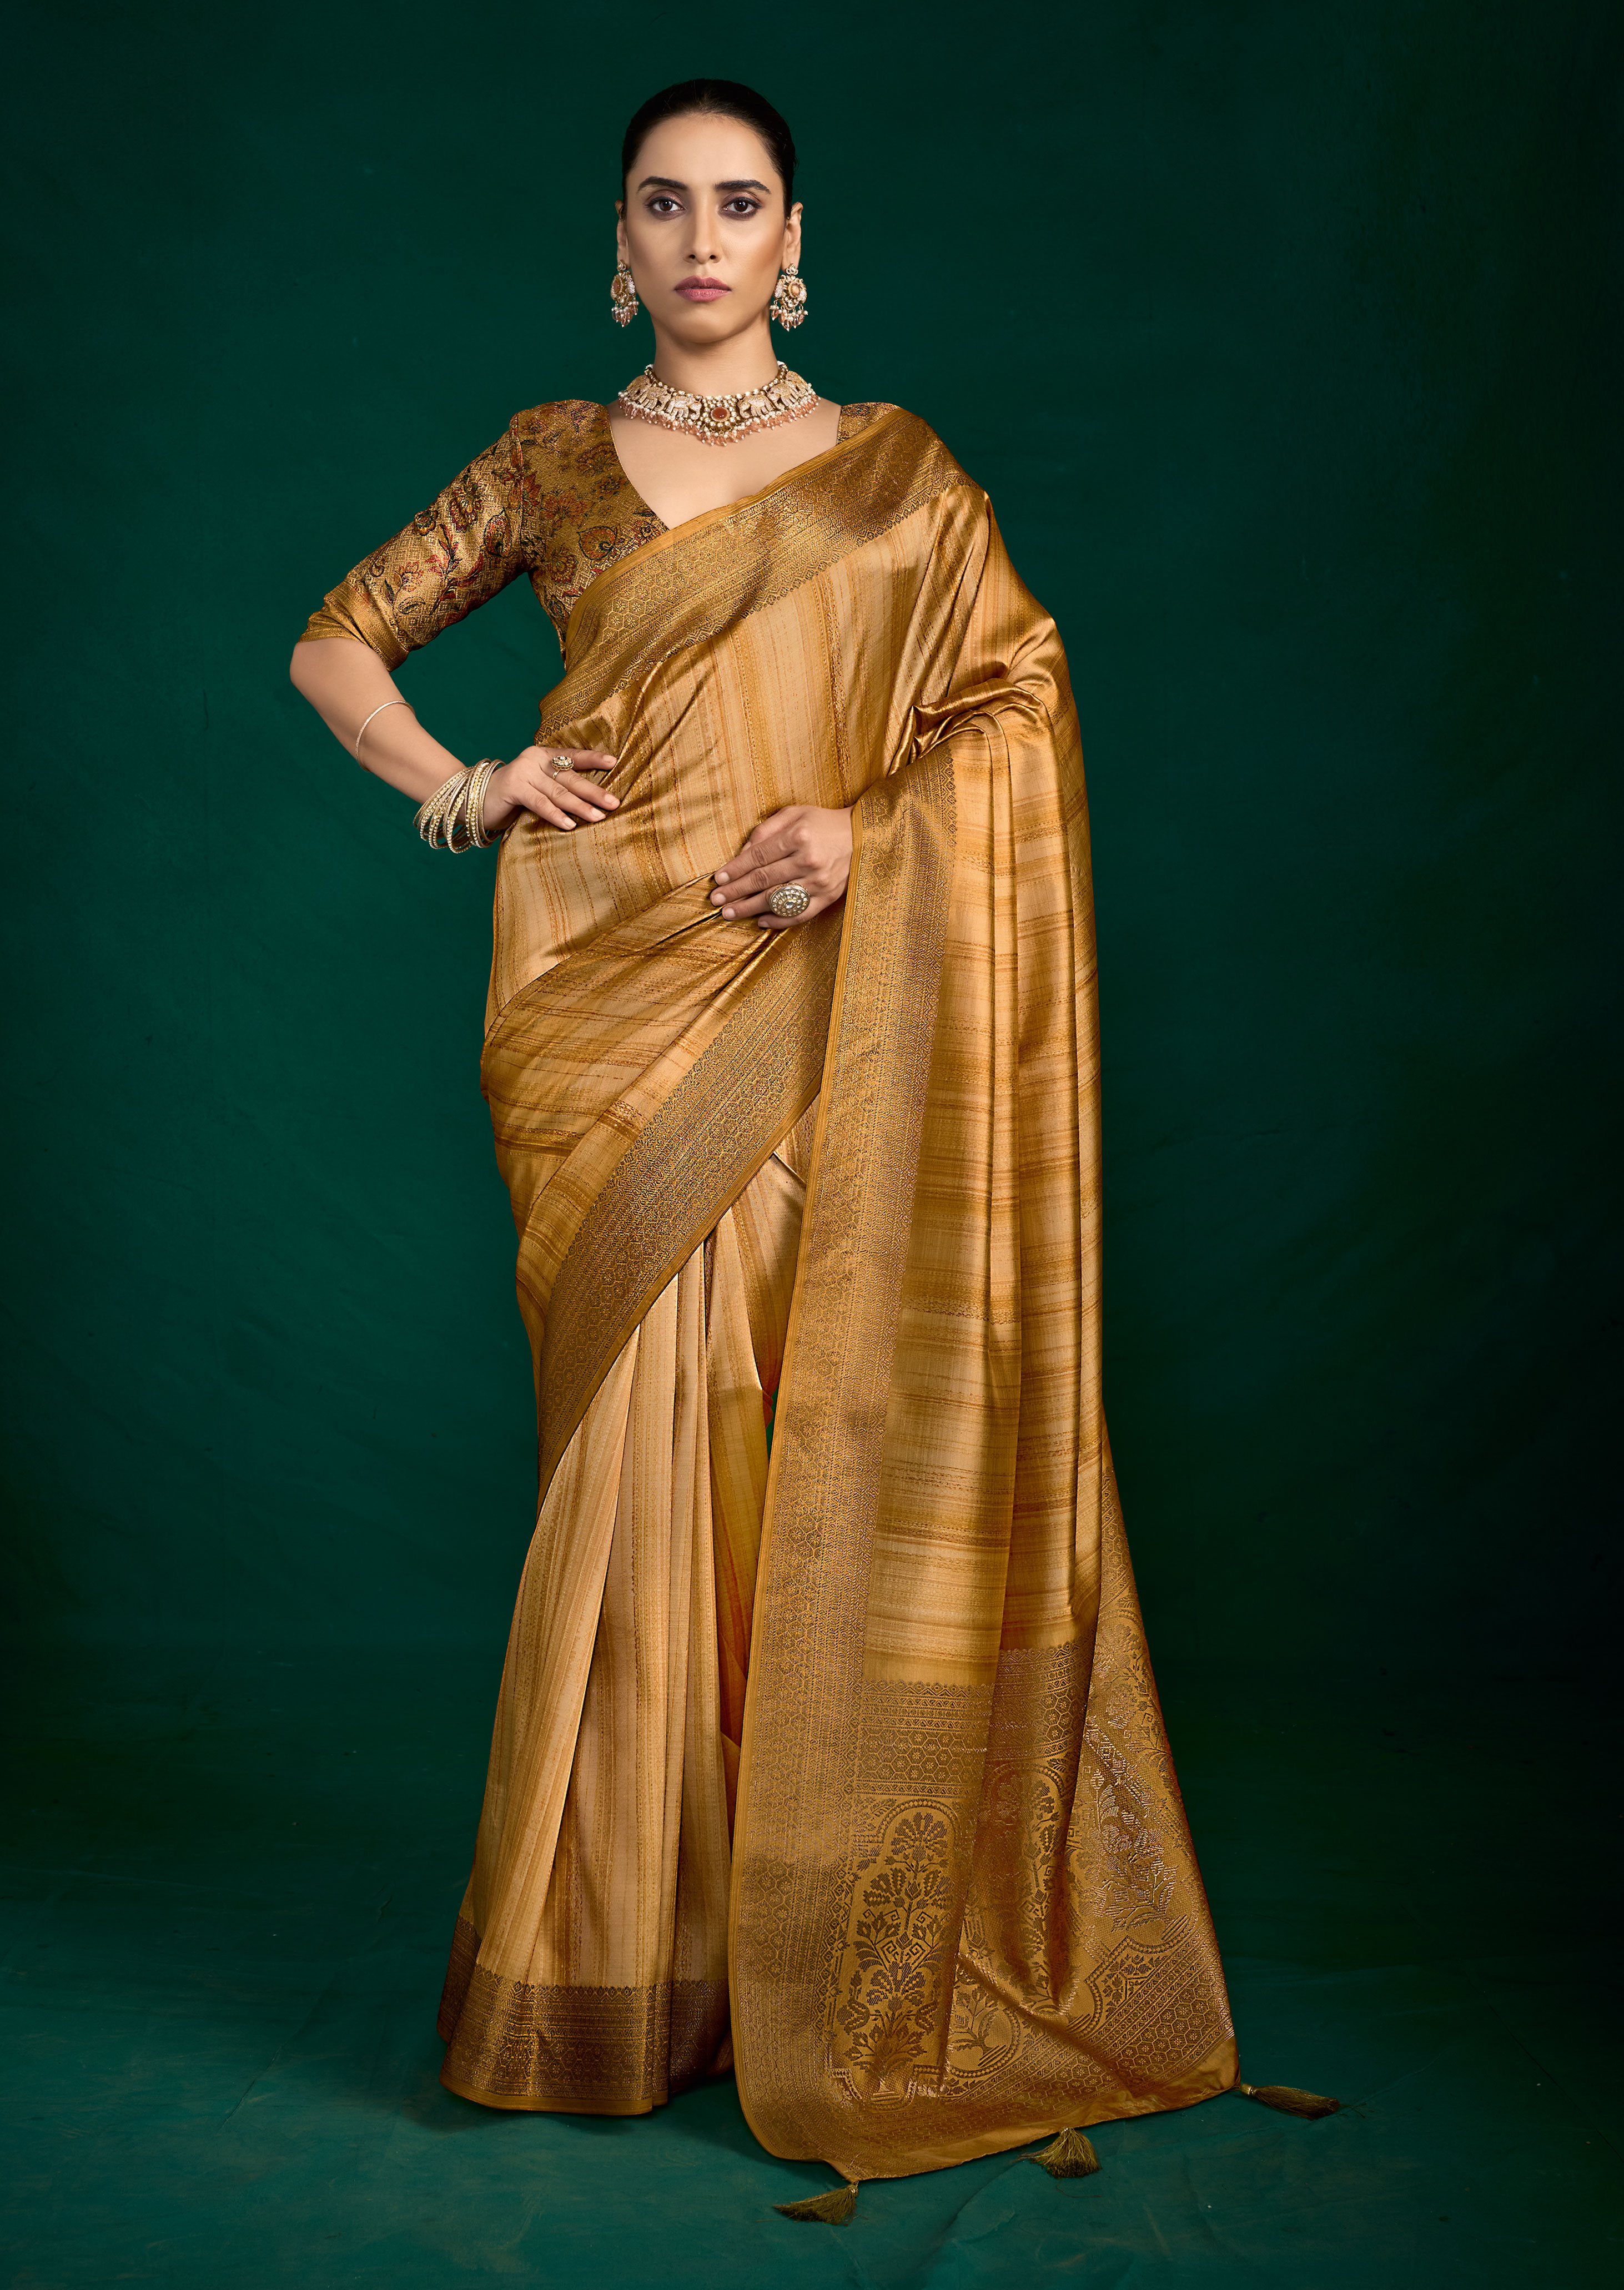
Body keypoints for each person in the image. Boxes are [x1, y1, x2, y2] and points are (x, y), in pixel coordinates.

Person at [289, 77, 1240, 2206]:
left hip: (832, 1009)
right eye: (665, 204)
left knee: (814, 1443)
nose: (703, 238)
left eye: (740, 204)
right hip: (608, 1008)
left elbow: (1015, 704)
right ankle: (623, 1966)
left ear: (793, 240)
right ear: (617, 241)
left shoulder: (899, 471)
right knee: (646, 1463)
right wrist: (466, 788)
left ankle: (824, 1946)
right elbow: (334, 635)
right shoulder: (549, 460)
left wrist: (870, 835)